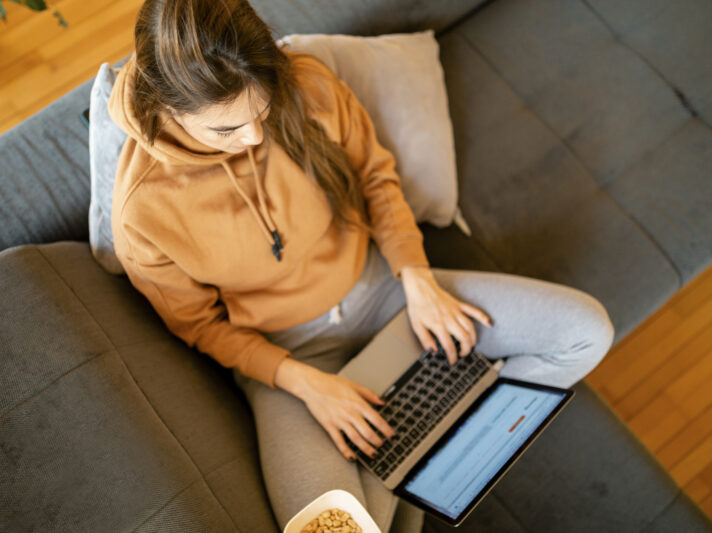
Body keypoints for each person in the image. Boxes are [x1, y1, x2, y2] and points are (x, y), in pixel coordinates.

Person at [107, 0, 615, 529]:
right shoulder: (142, 211)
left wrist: (416, 278)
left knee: (584, 333)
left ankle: (417, 448)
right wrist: (303, 383)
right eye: (226, 130)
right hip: (293, 356)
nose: (254, 137)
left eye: (260, 114)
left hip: (384, 293)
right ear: (167, 108)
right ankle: (424, 446)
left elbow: (376, 176)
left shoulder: (306, 85)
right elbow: (198, 325)